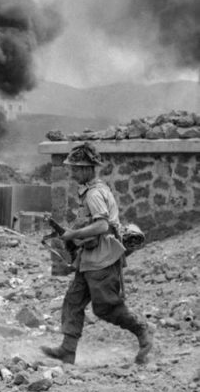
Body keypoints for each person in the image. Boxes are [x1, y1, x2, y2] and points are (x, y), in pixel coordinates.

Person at [40, 142, 154, 365]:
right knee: (73, 301)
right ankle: (67, 350)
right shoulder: (96, 190)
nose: (72, 174)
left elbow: (102, 226)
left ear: (84, 169)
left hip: (103, 260)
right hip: (91, 259)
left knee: (105, 307)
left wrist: (73, 234)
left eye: (74, 169)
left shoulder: (93, 194)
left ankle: (143, 329)